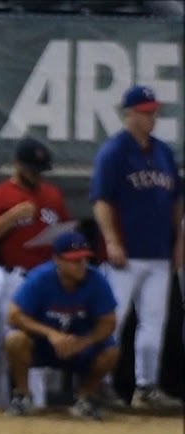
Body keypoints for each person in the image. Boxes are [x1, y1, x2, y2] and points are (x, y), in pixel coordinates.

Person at [90, 84, 184, 410]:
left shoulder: (163, 152)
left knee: (154, 321)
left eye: (154, 110)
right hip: (124, 255)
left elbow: (175, 200)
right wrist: (112, 240)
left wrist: (179, 238)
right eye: (146, 111)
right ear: (129, 114)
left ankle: (145, 388)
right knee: (111, 320)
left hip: (158, 253)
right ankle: (99, 384)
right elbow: (101, 201)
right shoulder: (114, 151)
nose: (152, 116)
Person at [0, 137, 71, 410]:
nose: (36, 175)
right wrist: (12, 217)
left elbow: (66, 231)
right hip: (9, 275)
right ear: (17, 165)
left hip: (43, 276)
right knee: (0, 340)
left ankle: (34, 402)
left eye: (39, 169)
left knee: (38, 341)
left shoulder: (52, 195)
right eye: (31, 169)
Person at [5, 232, 119, 420]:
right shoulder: (41, 278)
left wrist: (84, 341)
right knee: (15, 340)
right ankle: (23, 396)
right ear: (57, 260)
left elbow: (109, 322)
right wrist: (51, 334)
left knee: (111, 351)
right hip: (44, 345)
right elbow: (13, 316)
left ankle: (85, 398)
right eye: (74, 260)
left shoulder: (96, 280)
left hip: (79, 345)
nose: (81, 265)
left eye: (83, 259)